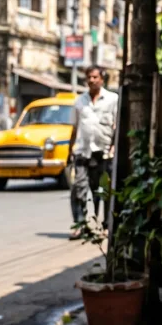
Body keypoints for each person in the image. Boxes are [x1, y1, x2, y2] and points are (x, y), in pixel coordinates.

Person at [68, 66, 118, 239]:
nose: (92, 80)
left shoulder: (112, 99)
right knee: (79, 188)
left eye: (95, 77)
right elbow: (74, 128)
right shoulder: (80, 101)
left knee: (103, 191)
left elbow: (116, 127)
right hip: (83, 151)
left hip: (104, 153)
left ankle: (105, 225)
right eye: (89, 77)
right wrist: (70, 150)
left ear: (102, 79)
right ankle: (79, 224)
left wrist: (113, 147)